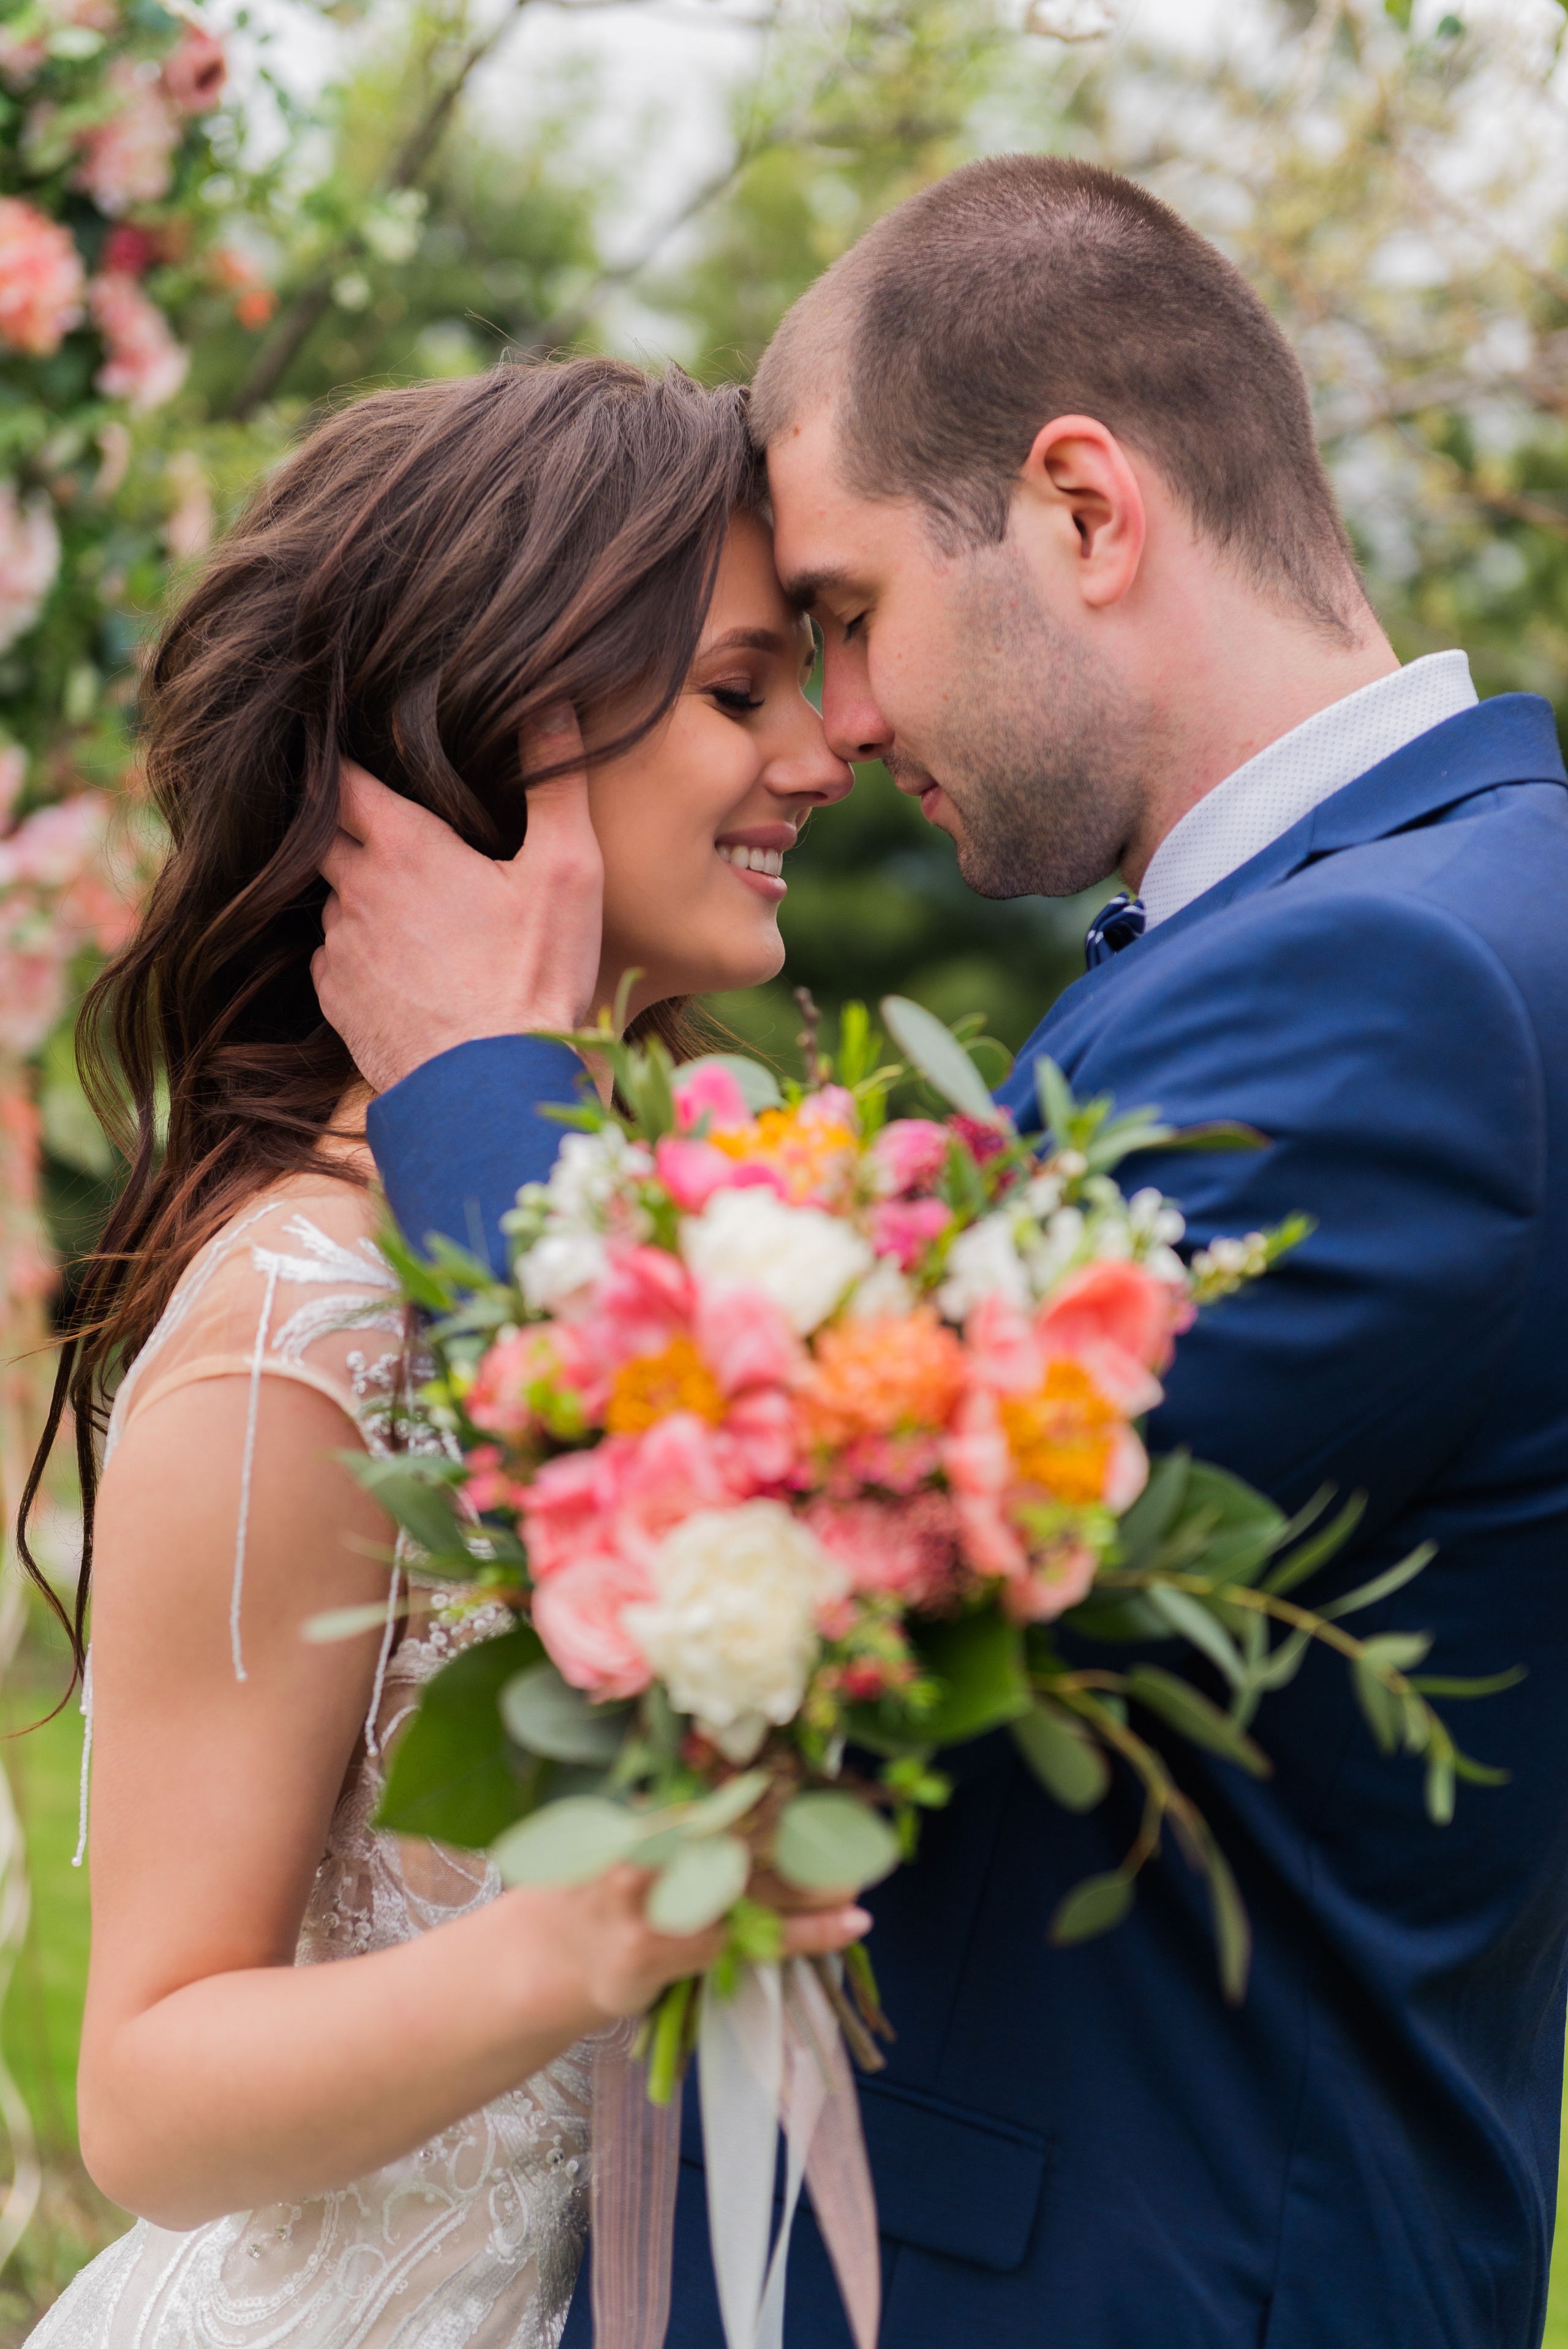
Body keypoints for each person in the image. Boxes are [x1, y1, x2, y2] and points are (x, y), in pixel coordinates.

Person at [313, 159, 1568, 2348]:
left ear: (1086, 509)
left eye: (853, 608)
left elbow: (781, 1581)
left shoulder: (1394, 990)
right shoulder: (1396, 927)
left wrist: (471, 1069)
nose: (847, 725)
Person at [18, 356, 864, 2349]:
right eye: (744, 691)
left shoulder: (665, 1228)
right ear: (508, 728)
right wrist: (587, 1938)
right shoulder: (306, 1312)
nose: (824, 755)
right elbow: (144, 2085)